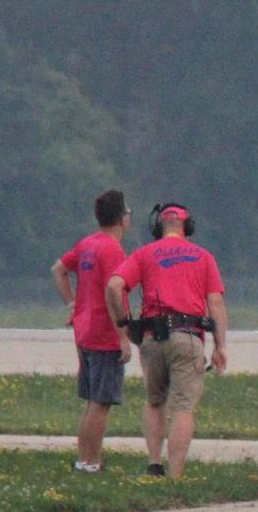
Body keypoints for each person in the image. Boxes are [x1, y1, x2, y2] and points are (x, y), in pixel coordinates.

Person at [106, 203, 228, 478]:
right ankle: (175, 475)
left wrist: (124, 323)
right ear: (188, 227)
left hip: (151, 338)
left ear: (158, 227)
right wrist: (220, 345)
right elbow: (216, 303)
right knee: (183, 408)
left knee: (154, 401)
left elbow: (114, 286)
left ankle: (154, 464)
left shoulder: (144, 254)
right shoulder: (203, 256)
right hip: (188, 337)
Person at [50, 190, 132, 473]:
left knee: (91, 401)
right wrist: (123, 335)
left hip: (83, 331)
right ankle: (93, 462)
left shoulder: (86, 244)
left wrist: (73, 304)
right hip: (103, 334)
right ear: (122, 219)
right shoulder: (112, 249)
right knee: (102, 401)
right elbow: (114, 292)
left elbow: (58, 269)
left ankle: (83, 460)